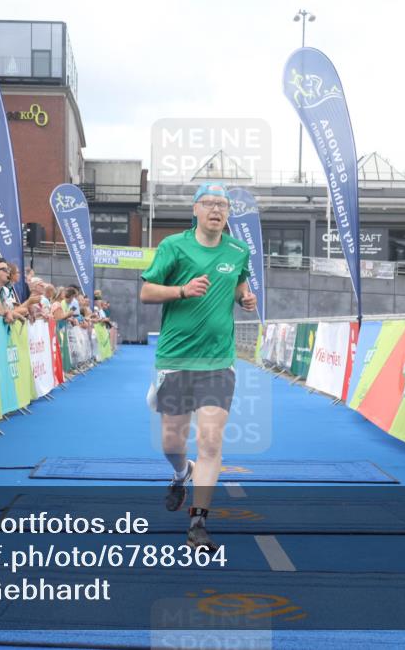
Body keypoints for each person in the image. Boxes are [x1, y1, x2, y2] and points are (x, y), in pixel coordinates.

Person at [139, 181, 256, 551]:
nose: (216, 210)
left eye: (222, 205)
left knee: (210, 439)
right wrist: (182, 291)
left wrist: (245, 298)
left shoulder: (238, 250)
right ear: (195, 210)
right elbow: (145, 292)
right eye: (209, 204)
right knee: (172, 440)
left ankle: (198, 523)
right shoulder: (174, 246)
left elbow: (239, 283)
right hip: (175, 357)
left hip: (219, 360)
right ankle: (180, 472)